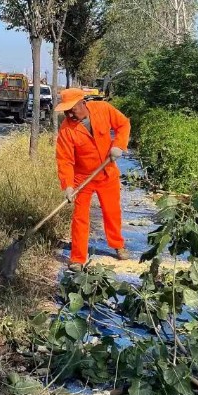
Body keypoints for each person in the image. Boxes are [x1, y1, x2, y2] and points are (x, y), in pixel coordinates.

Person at [55, 87, 131, 268]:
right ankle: (77, 258)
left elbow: (124, 124)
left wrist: (119, 145)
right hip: (82, 179)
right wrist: (67, 185)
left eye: (72, 109)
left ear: (83, 103)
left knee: (111, 212)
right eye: (66, 110)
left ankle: (118, 245)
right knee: (80, 217)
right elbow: (64, 159)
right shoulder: (66, 129)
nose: (69, 114)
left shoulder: (102, 109)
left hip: (107, 172)